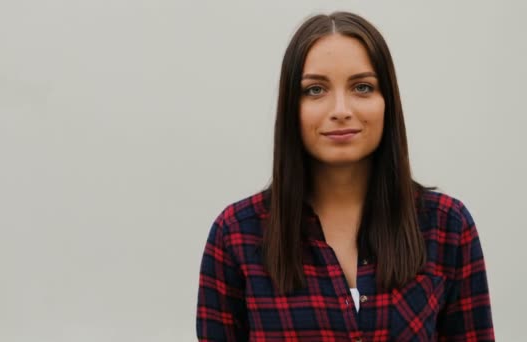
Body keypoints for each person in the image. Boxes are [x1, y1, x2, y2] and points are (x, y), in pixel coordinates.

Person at [196, 11, 494, 341]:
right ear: (291, 107)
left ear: (387, 102)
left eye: (362, 87)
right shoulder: (237, 235)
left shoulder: (447, 227)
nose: (340, 109)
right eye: (315, 90)